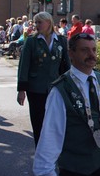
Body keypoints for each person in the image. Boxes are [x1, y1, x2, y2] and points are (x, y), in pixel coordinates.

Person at [33, 33, 100, 176]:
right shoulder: (60, 90)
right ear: (71, 53)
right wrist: (45, 169)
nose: (91, 55)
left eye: (94, 50)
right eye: (84, 50)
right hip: (76, 167)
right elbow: (52, 130)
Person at [17, 11, 70, 146]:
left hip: (56, 88)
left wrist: (69, 85)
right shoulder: (31, 41)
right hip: (36, 88)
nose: (36, 25)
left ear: (49, 23)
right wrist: (21, 90)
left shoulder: (61, 40)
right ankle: (40, 152)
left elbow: (66, 65)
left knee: (55, 122)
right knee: (39, 122)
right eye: (36, 22)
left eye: (40, 22)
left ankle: (53, 152)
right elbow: (24, 66)